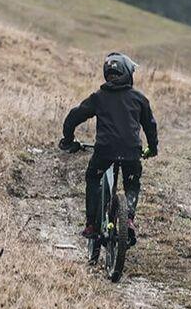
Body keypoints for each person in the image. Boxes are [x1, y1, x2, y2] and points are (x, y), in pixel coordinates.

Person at [59, 52, 158, 244]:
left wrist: (68, 139)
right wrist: (152, 148)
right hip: (131, 152)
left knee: (93, 177)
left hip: (104, 152)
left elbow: (74, 116)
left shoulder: (99, 97)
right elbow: (150, 126)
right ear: (128, 74)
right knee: (132, 183)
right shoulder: (139, 98)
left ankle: (92, 225)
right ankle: (128, 218)